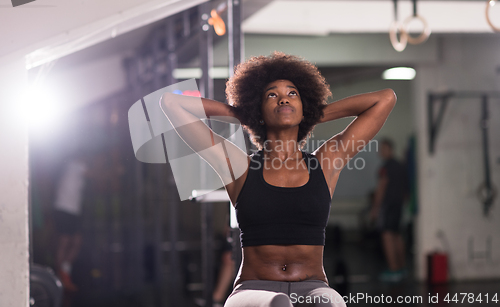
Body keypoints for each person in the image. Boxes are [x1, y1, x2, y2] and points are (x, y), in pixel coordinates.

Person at [160, 52, 396, 306]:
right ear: (258, 109)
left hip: (313, 286)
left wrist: (312, 113)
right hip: (253, 289)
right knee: (278, 304)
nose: (283, 98)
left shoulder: (325, 163)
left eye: (292, 93)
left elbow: (385, 99)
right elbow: (171, 104)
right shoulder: (238, 166)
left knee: (331, 303)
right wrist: (245, 115)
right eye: (272, 95)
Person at [369, 138, 408, 282]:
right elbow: (405, 190)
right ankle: (401, 268)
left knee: (387, 236)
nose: (381, 152)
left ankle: (393, 270)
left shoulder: (385, 167)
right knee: (397, 235)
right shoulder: (400, 165)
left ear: (390, 149)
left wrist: (375, 209)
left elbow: (381, 189)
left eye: (383, 149)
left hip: (388, 206)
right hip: (398, 205)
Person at [52, 155, 88, 292]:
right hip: (64, 208)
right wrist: (114, 171)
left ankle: (63, 272)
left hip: (72, 211)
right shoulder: (76, 164)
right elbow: (96, 175)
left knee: (76, 241)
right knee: (65, 241)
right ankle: (60, 276)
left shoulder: (78, 165)